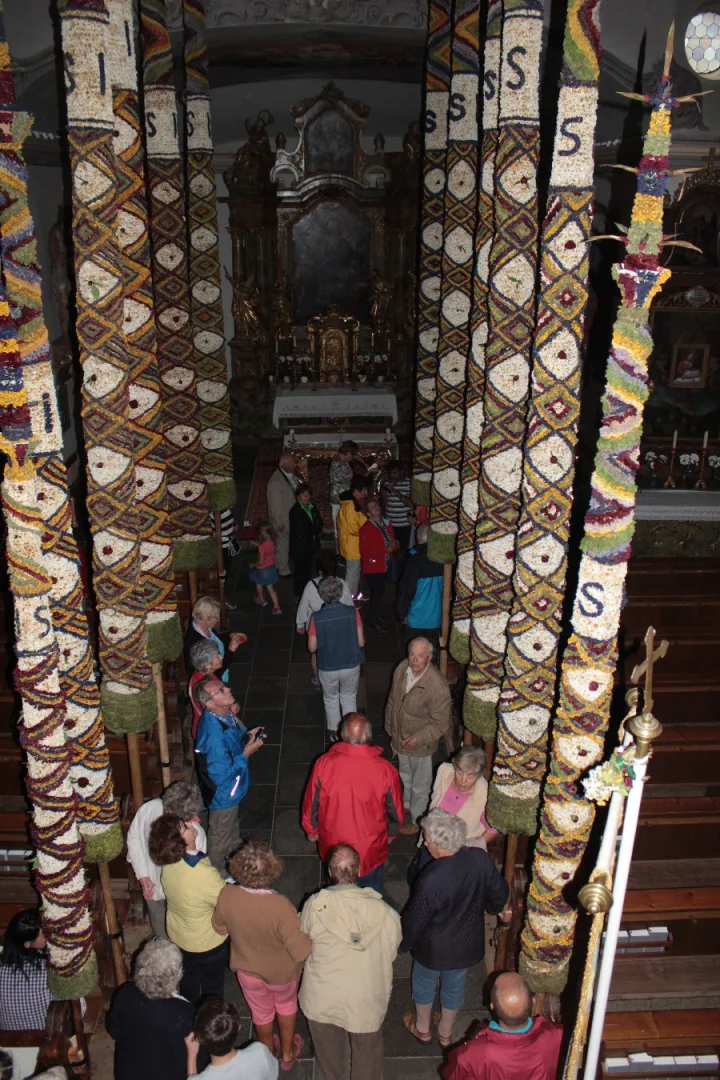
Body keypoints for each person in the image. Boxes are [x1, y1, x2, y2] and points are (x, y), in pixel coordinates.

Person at [401, 811, 510, 1049]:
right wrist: (494, 907)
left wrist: (402, 944)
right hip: (466, 942)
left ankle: (422, 1028)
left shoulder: (430, 877)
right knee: (454, 985)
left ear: (440, 846)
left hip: (432, 949)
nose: (425, 841)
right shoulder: (479, 859)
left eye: (427, 837)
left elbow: (415, 919)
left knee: (424, 982)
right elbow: (499, 892)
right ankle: (446, 1033)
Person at [299, 844, 401, 1080]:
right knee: (367, 1052)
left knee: (329, 1053)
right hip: (365, 997)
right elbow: (392, 951)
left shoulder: (315, 905)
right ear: (359, 871)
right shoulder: (387, 914)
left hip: (322, 995)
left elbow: (304, 934)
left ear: (330, 872)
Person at [212, 841, 311, 1070]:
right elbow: (300, 950)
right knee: (286, 1005)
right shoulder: (280, 905)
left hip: (247, 972)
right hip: (282, 974)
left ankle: (267, 1054)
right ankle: (288, 1052)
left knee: (260, 1012)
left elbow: (219, 928)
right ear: (273, 871)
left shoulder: (227, 894)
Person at [302, 714, 404, 890]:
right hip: (370, 849)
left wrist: (311, 830)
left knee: (337, 891)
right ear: (369, 736)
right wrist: (392, 833)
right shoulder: (385, 770)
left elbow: (311, 803)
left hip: (335, 849)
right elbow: (395, 809)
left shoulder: (324, 764)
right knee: (370, 894)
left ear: (342, 735)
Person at [148, 814, 228, 1005]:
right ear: (180, 842)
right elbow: (224, 901)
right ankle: (211, 1018)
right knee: (213, 988)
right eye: (184, 827)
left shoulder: (169, 865)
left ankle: (187, 1011)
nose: (190, 824)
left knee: (189, 981)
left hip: (180, 936)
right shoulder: (202, 874)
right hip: (207, 941)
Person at [107, 937, 206, 1080]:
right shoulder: (185, 1014)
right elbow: (198, 1060)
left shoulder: (125, 993)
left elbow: (114, 1030)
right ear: (177, 976)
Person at [194, 676, 264, 873]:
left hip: (233, 789)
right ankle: (217, 875)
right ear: (209, 703)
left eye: (224, 687)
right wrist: (245, 755)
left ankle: (234, 855)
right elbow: (221, 776)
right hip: (224, 795)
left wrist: (247, 735)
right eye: (221, 691)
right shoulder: (213, 738)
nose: (228, 689)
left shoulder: (224, 714)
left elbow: (232, 737)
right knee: (219, 837)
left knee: (231, 827)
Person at [384, 637, 452, 834]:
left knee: (421, 785)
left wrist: (418, 739)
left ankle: (417, 818)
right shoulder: (402, 668)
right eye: (412, 654)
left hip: (419, 746)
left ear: (429, 658)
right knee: (405, 774)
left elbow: (441, 723)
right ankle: (405, 803)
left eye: (420, 656)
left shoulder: (436, 686)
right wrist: (389, 724)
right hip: (399, 738)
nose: (414, 660)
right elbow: (392, 699)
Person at [126, 781, 208, 939]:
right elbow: (197, 870)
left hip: (152, 886)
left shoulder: (149, 808)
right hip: (179, 896)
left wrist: (143, 875)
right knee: (182, 935)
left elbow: (133, 838)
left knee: (160, 931)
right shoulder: (195, 833)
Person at [443, 972, 563, 1080]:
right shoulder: (559, 1037)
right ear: (533, 1001)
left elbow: (453, 1074)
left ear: (492, 1006)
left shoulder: (469, 1055)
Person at [308, 576, 364, 737]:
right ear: (340, 593)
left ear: (321, 595)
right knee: (349, 697)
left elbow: (311, 647)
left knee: (331, 699)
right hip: (351, 663)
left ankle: (334, 732)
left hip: (328, 666)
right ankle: (351, 734)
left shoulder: (316, 617)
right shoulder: (352, 612)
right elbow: (361, 642)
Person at [296, 554, 353, 689]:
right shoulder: (342, 583)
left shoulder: (311, 585)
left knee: (316, 653)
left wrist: (300, 624)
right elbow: (349, 606)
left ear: (320, 570)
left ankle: (318, 678)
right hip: (337, 624)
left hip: (316, 626)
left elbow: (303, 605)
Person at [186, 996, 278, 1079]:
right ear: (238, 1027)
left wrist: (192, 1055)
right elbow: (273, 1074)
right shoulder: (259, 1051)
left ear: (199, 1039)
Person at [0, 910, 54, 1029]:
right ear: (28, 944)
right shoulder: (47, 970)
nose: (48, 934)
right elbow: (80, 1008)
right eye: (43, 934)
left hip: (6, 1041)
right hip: (47, 1042)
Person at [396, 524, 443, 649]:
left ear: (419, 538)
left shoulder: (416, 560)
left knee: (414, 654)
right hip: (435, 618)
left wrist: (401, 613)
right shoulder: (443, 560)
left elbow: (407, 590)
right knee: (430, 655)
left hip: (417, 619)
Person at [183, 596, 247, 682]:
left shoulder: (201, 626)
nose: (218, 620)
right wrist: (231, 650)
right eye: (216, 617)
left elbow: (215, 640)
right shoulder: (197, 644)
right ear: (207, 619)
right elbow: (215, 672)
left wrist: (230, 635)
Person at [359, 496, 398, 631]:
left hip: (384, 564)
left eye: (376, 505)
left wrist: (394, 544)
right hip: (373, 567)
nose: (376, 508)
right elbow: (365, 551)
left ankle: (375, 616)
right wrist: (384, 550)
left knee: (380, 593)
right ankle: (372, 622)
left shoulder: (385, 523)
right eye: (373, 507)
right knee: (376, 594)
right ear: (368, 513)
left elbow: (392, 539)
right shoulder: (366, 528)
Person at [266, 451, 299, 577]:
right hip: (283, 519)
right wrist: (279, 522)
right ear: (284, 463)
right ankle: (283, 570)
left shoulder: (288, 475)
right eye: (292, 462)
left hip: (290, 516)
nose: (294, 464)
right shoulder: (276, 481)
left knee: (283, 544)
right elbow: (275, 506)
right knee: (282, 545)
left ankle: (279, 565)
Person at [288, 482, 323, 599]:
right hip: (300, 546)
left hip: (310, 544)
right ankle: (298, 594)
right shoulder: (295, 511)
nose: (306, 497)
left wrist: (316, 528)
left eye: (308, 494)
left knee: (308, 569)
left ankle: (306, 591)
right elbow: (303, 528)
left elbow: (319, 521)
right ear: (298, 496)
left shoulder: (312, 507)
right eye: (303, 495)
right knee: (300, 571)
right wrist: (314, 528)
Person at [336, 474, 368, 596]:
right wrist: (367, 526)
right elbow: (353, 528)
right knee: (351, 574)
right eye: (363, 490)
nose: (365, 493)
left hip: (353, 545)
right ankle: (347, 600)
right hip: (352, 546)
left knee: (355, 572)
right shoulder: (350, 505)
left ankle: (353, 597)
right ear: (355, 491)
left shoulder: (351, 503)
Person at [381, 459, 414, 552]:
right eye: (390, 473)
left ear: (402, 471)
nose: (392, 475)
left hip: (405, 524)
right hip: (391, 525)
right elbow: (383, 505)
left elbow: (411, 504)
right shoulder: (387, 484)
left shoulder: (410, 483)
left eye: (395, 473)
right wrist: (383, 496)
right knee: (392, 551)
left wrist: (395, 492)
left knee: (407, 550)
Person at [249, 521, 282, 614]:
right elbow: (265, 548)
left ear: (264, 533)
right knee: (271, 589)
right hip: (271, 567)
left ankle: (262, 599)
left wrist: (253, 564)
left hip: (262, 569)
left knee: (258, 583)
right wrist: (256, 543)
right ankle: (277, 607)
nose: (259, 533)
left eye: (260, 531)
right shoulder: (273, 542)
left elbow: (261, 561)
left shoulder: (262, 547)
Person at [329, 440, 358, 543]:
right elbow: (335, 479)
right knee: (339, 528)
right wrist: (349, 478)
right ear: (348, 452)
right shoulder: (337, 462)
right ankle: (340, 553)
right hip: (339, 498)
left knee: (345, 526)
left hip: (344, 498)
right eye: (353, 454)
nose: (353, 456)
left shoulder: (344, 462)